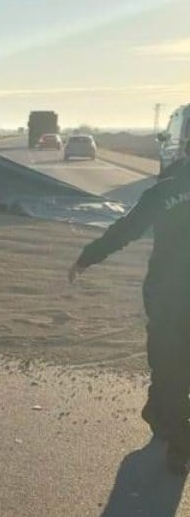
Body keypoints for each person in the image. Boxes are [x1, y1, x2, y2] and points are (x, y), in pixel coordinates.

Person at [69, 135, 190, 474]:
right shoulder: (163, 188)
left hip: (166, 293)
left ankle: (178, 445)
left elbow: (127, 229)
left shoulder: (164, 190)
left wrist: (87, 257)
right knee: (175, 365)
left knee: (169, 364)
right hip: (169, 293)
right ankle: (164, 419)